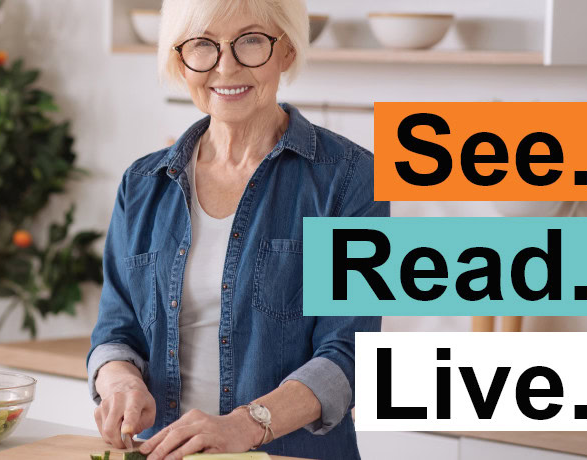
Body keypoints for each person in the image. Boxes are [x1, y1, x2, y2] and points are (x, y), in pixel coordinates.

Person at [86, 1, 389, 458]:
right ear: (179, 59)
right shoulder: (142, 184)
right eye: (203, 45)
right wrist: (119, 381)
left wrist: (247, 426)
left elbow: (347, 356)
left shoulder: (350, 179)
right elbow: (115, 331)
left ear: (286, 51)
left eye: (251, 41)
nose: (225, 67)